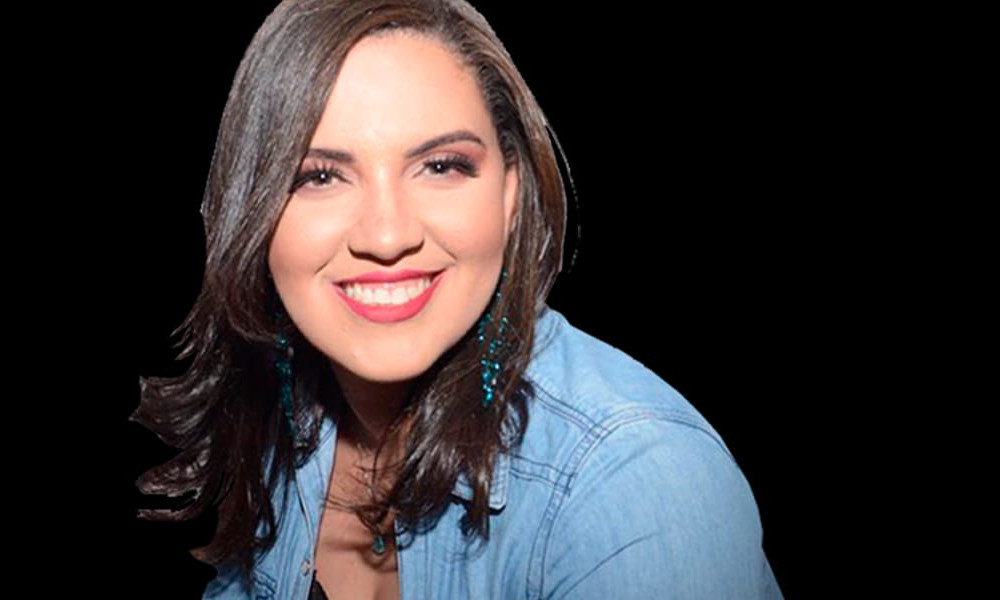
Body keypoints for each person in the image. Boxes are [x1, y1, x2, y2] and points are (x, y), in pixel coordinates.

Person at [133, 0, 784, 598]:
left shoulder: (635, 486)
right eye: (320, 176)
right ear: (251, 210)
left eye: (441, 166)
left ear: (509, 194)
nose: (386, 235)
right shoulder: (283, 406)